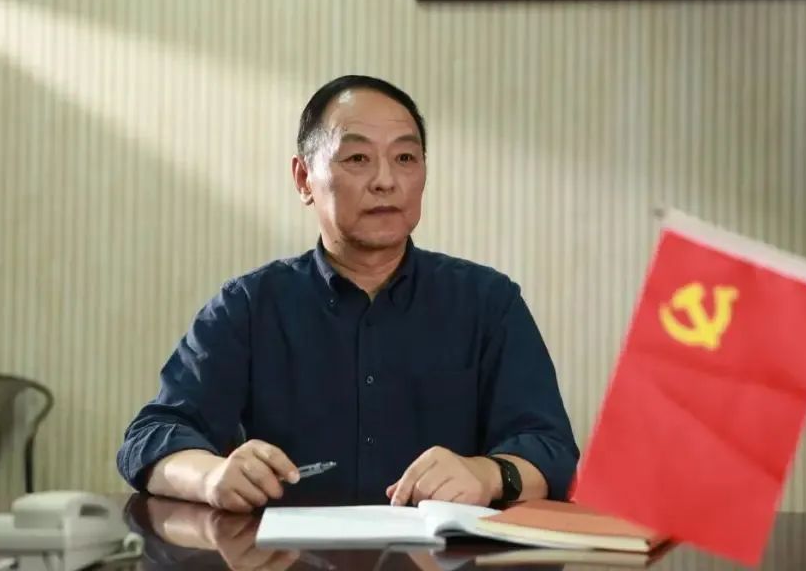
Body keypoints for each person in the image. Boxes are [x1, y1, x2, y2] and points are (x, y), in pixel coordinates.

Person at [117, 75, 578, 512]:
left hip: (442, 555)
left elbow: (552, 452)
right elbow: (150, 438)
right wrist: (211, 477)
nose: (386, 181)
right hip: (288, 556)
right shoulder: (250, 306)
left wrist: (488, 474)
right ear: (304, 179)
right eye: (358, 159)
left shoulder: (488, 302)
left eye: (405, 158)